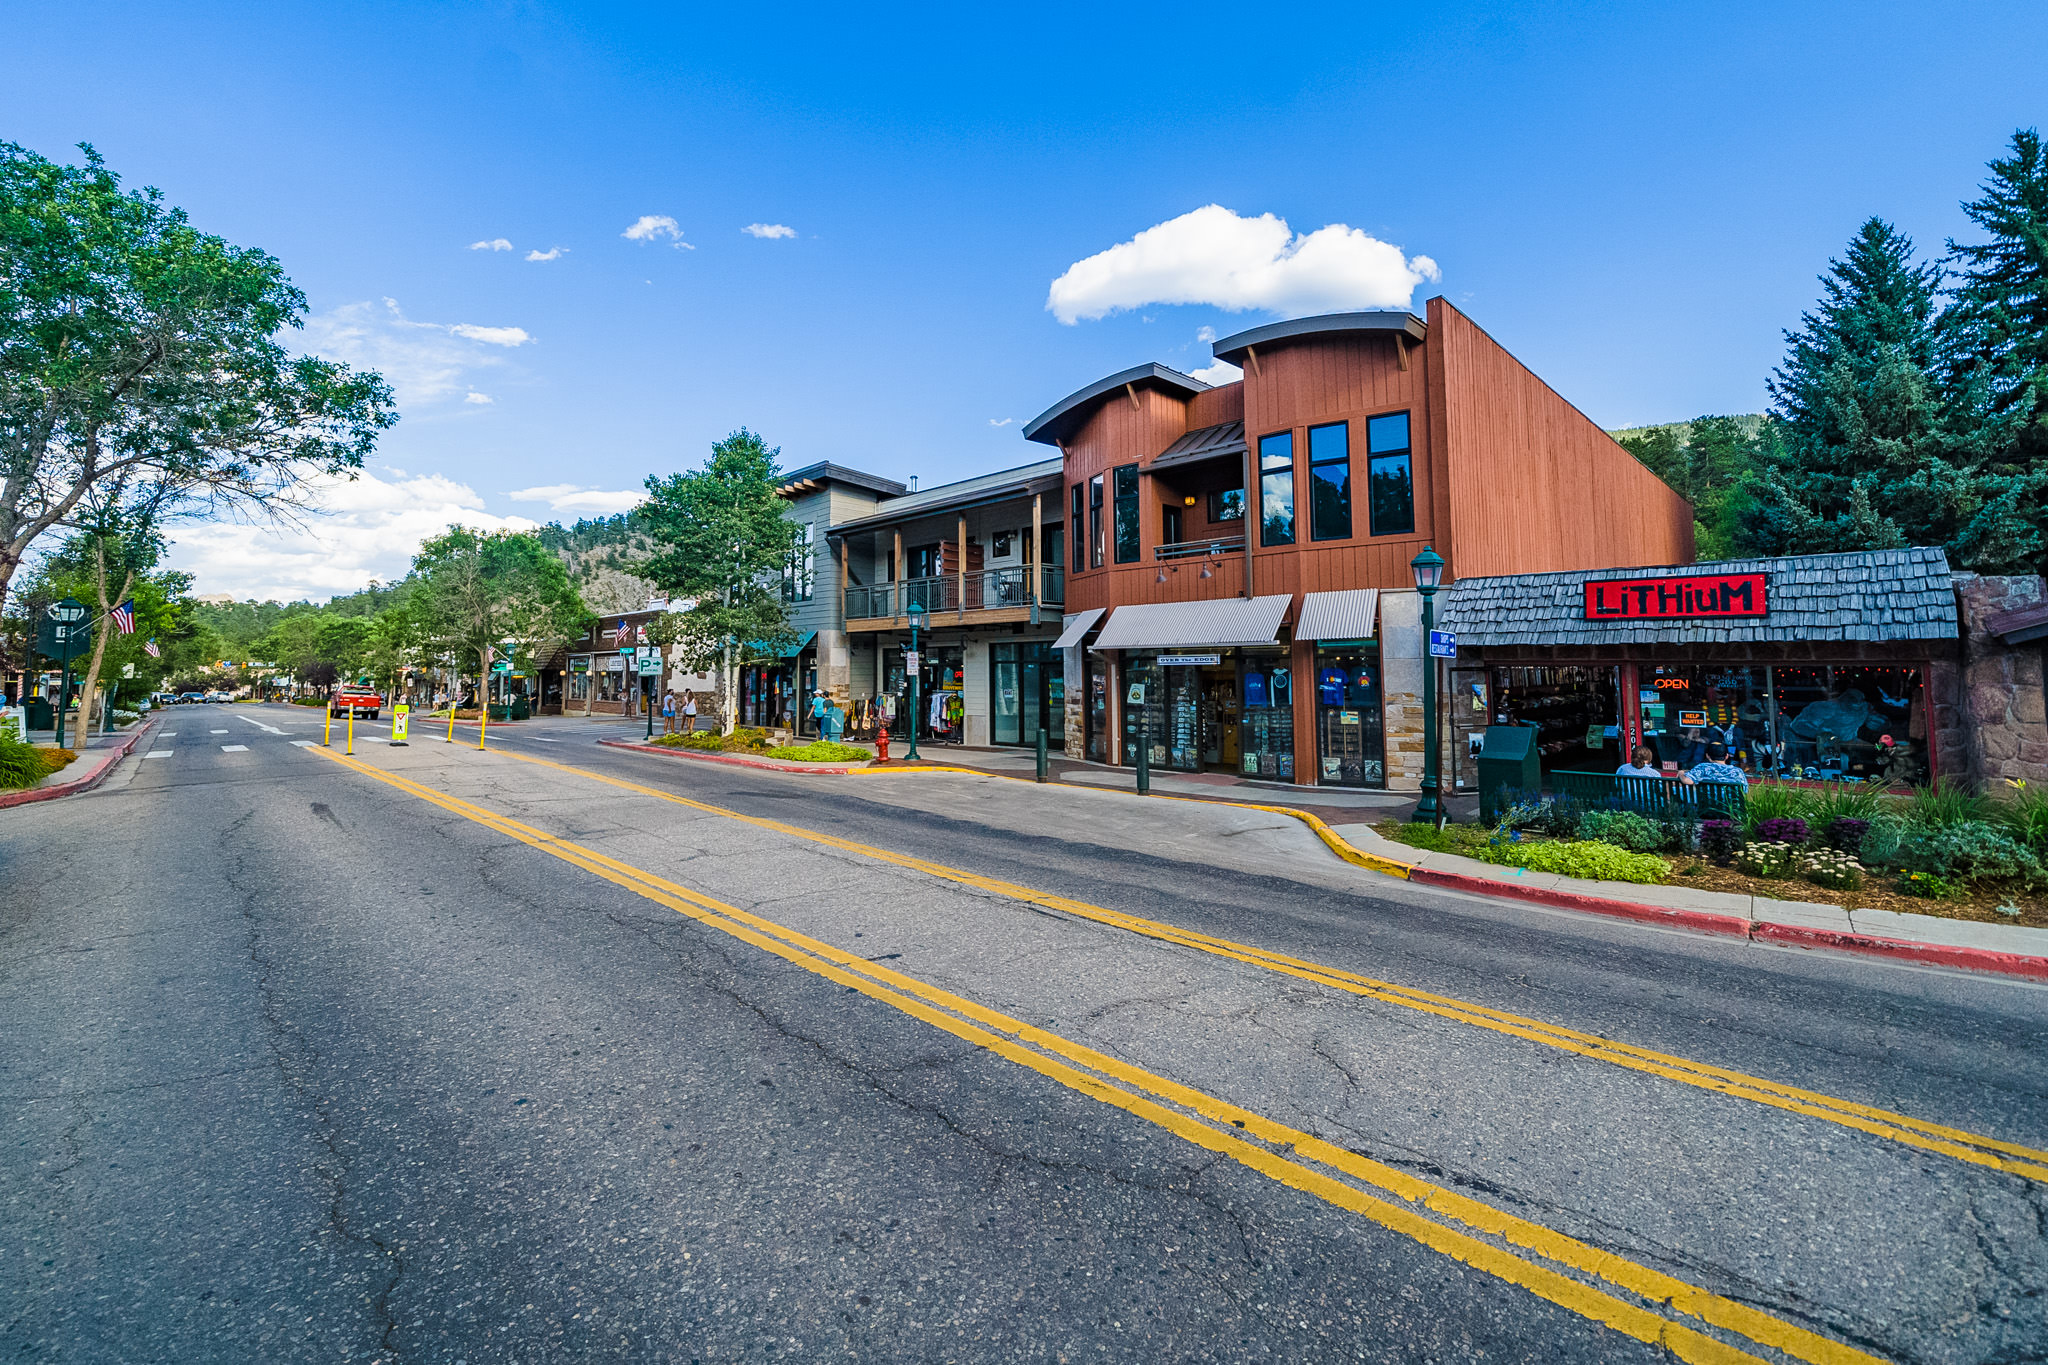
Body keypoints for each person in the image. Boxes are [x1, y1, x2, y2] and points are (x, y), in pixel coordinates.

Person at [1682, 740, 1749, 789]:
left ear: (1707, 756)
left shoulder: (1702, 767)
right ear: (1727, 756)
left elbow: (1687, 781)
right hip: (1732, 807)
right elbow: (1745, 790)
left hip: (1708, 806)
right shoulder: (1738, 771)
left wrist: (1681, 773)